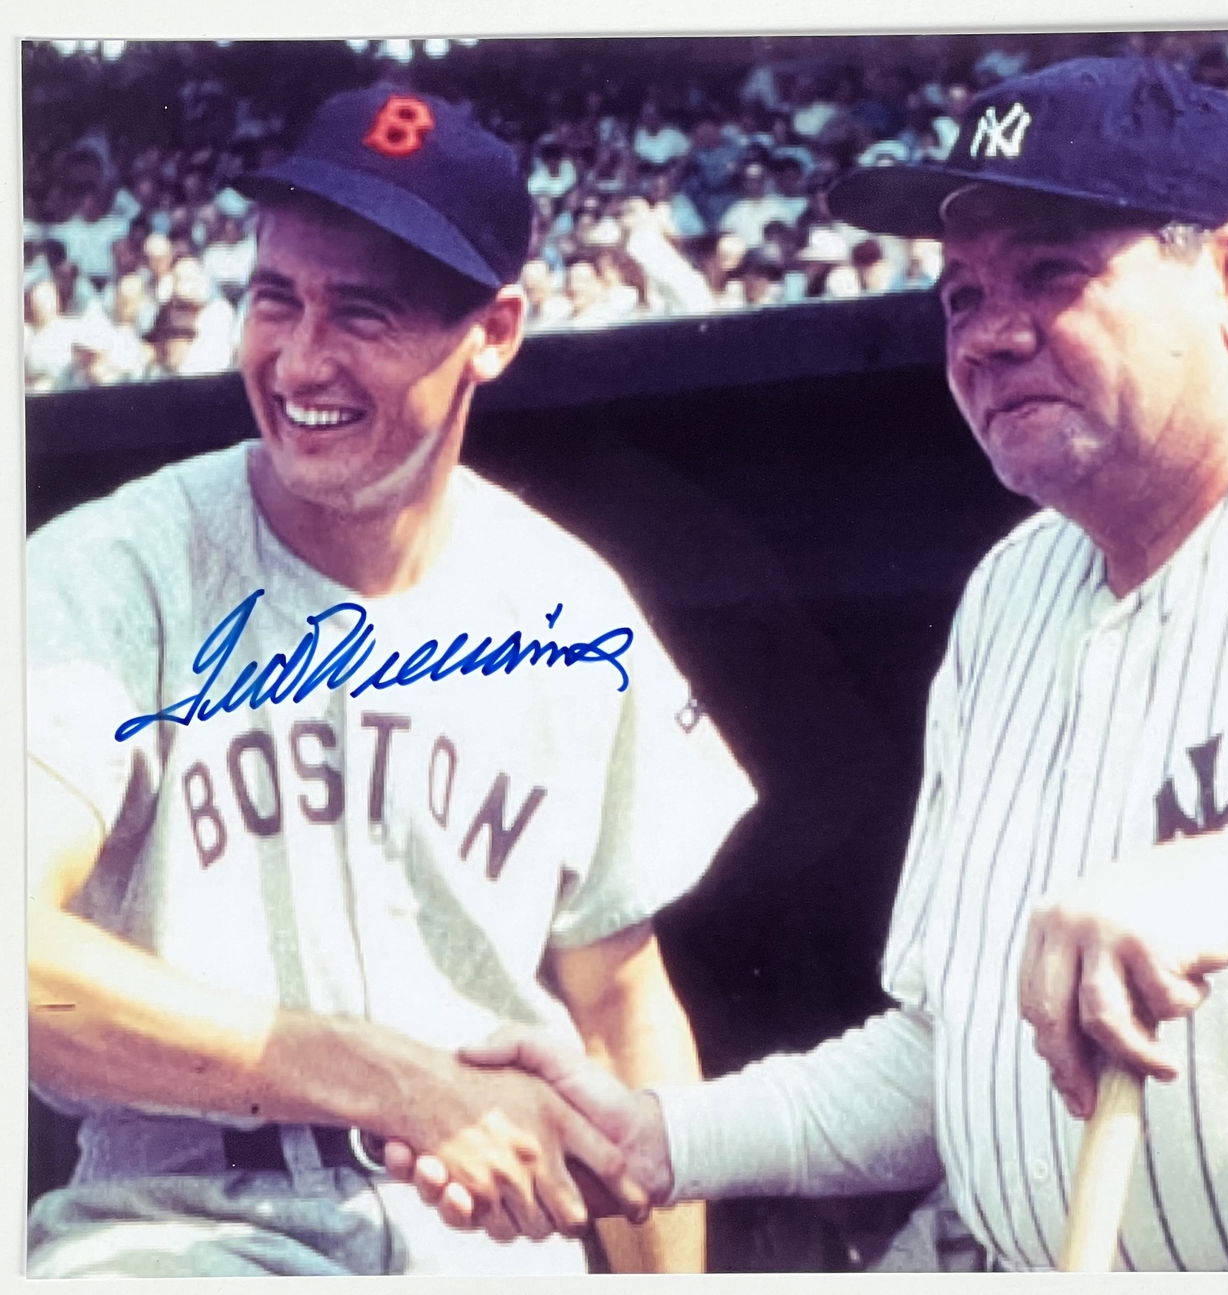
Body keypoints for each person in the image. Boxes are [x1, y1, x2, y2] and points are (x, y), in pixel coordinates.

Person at [389, 56, 1228, 1273]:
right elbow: (946, 1057)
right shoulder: (1009, 594)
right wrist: (659, 1136)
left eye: (1052, 274)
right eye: (960, 296)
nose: (992, 333)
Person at [26, 83, 755, 1278]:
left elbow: (624, 1008)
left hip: (488, 1235)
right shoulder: (113, 571)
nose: (302, 356)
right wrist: (379, 1075)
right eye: (277, 297)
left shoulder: (567, 604)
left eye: (363, 311)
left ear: (496, 332)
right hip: (187, 1221)